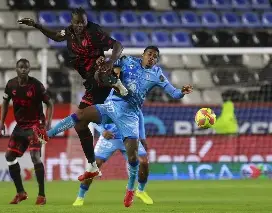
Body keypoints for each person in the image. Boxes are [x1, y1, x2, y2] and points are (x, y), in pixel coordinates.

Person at [41, 46, 193, 207]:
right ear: (143, 54)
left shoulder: (156, 74)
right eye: (149, 54)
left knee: (134, 158)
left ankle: (131, 190)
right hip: (112, 106)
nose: (152, 58)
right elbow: (110, 66)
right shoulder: (127, 60)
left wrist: (182, 91)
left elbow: (174, 93)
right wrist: (106, 66)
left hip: (129, 116)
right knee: (81, 115)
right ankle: (48, 134)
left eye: (155, 57)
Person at [18, 7, 126, 180]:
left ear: (86, 21)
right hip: (90, 84)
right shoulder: (69, 32)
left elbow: (117, 45)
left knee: (101, 71)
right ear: (72, 22)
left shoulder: (94, 31)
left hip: (100, 77)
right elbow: (55, 36)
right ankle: (92, 166)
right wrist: (37, 25)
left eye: (83, 22)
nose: (80, 26)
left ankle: (117, 83)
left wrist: (110, 60)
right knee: (79, 123)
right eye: (77, 22)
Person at [0, 59, 54, 205]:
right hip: (21, 126)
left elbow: (50, 103)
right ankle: (20, 193)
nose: (23, 70)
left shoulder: (36, 85)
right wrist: (1, 123)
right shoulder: (11, 85)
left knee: (35, 157)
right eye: (21, 67)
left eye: (26, 68)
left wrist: (48, 122)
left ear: (29, 70)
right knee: (9, 156)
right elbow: (4, 102)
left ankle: (42, 195)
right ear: (16, 69)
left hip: (37, 126)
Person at [73, 121, 154, 206]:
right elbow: (93, 118)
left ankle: (140, 191)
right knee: (95, 164)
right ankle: (80, 196)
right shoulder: (104, 107)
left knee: (144, 162)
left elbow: (139, 116)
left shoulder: (132, 107)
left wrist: (143, 137)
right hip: (109, 138)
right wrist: (102, 131)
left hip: (129, 137)